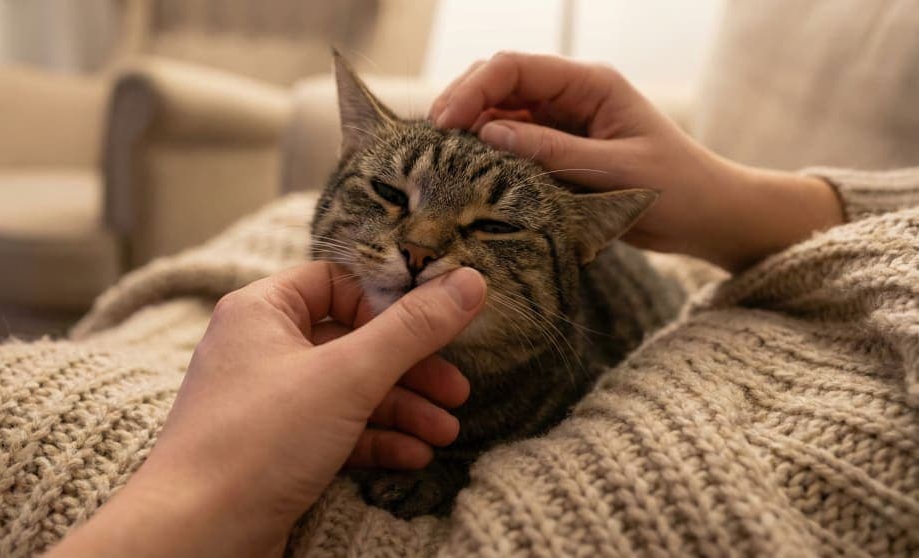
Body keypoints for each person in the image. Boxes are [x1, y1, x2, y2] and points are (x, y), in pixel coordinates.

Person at [47, 52, 846, 557]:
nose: (421, 243)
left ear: (582, 249)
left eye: (494, 226)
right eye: (390, 193)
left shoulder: (567, 366)